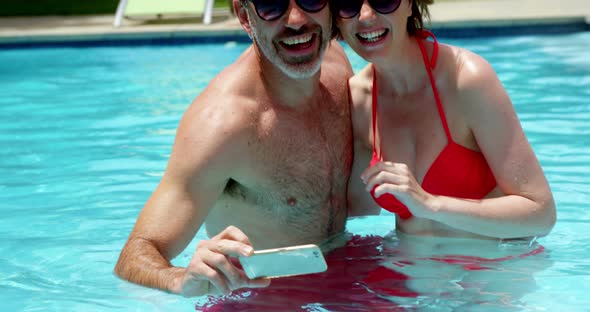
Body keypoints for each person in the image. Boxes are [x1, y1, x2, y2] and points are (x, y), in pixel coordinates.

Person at [115, 0, 354, 297]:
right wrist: (180, 278)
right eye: (271, 5)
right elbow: (135, 253)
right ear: (244, 16)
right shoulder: (222, 125)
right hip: (262, 296)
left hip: (348, 269)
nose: (296, 19)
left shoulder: (338, 67)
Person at [333, 0, 556, 238]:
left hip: (491, 268)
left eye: (384, 1)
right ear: (337, 20)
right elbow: (358, 218)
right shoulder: (359, 100)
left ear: (410, 5)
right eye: (349, 4)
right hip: (409, 269)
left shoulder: (465, 79)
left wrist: (431, 205)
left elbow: (541, 214)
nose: (366, 16)